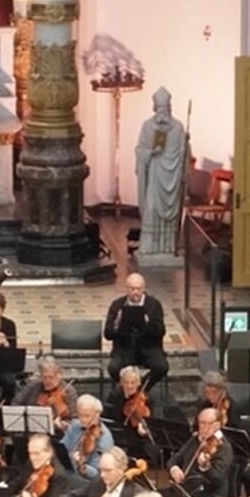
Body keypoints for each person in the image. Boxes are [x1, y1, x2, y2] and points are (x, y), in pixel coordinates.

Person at [133, 88, 189, 257]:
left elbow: (183, 153)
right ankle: (150, 247)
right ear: (154, 107)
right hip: (155, 177)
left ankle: (168, 248)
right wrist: (150, 152)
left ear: (170, 107)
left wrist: (187, 144)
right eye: (159, 108)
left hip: (173, 176)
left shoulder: (178, 128)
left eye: (165, 107)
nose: (162, 111)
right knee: (151, 208)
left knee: (170, 216)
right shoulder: (147, 126)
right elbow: (139, 149)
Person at [104, 274, 169, 392]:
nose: (135, 292)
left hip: (149, 348)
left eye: (138, 289)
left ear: (144, 289)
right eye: (132, 289)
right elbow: (108, 334)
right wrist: (116, 325)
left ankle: (139, 390)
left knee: (161, 367)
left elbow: (160, 332)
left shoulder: (154, 305)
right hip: (125, 348)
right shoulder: (117, 305)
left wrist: (147, 324)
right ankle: (127, 390)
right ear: (126, 289)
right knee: (113, 368)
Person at [169, 406, 236, 497]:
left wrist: (205, 468)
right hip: (187, 489)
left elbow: (216, 480)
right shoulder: (196, 439)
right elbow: (176, 458)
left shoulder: (224, 447)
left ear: (217, 425)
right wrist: (174, 468)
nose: (203, 427)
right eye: (201, 423)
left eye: (207, 423)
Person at [14, 356, 75, 434]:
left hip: (59, 433)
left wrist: (64, 423)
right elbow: (16, 402)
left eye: (51, 377)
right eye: (44, 377)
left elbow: (74, 417)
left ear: (59, 375)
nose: (47, 381)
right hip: (34, 431)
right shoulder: (33, 386)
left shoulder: (69, 391)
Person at [62, 395, 114, 480]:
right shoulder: (75, 425)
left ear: (97, 414)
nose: (83, 420)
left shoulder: (104, 438)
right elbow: (63, 446)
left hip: (86, 482)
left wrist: (82, 465)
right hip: (68, 474)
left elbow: (98, 474)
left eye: (87, 416)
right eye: (80, 415)